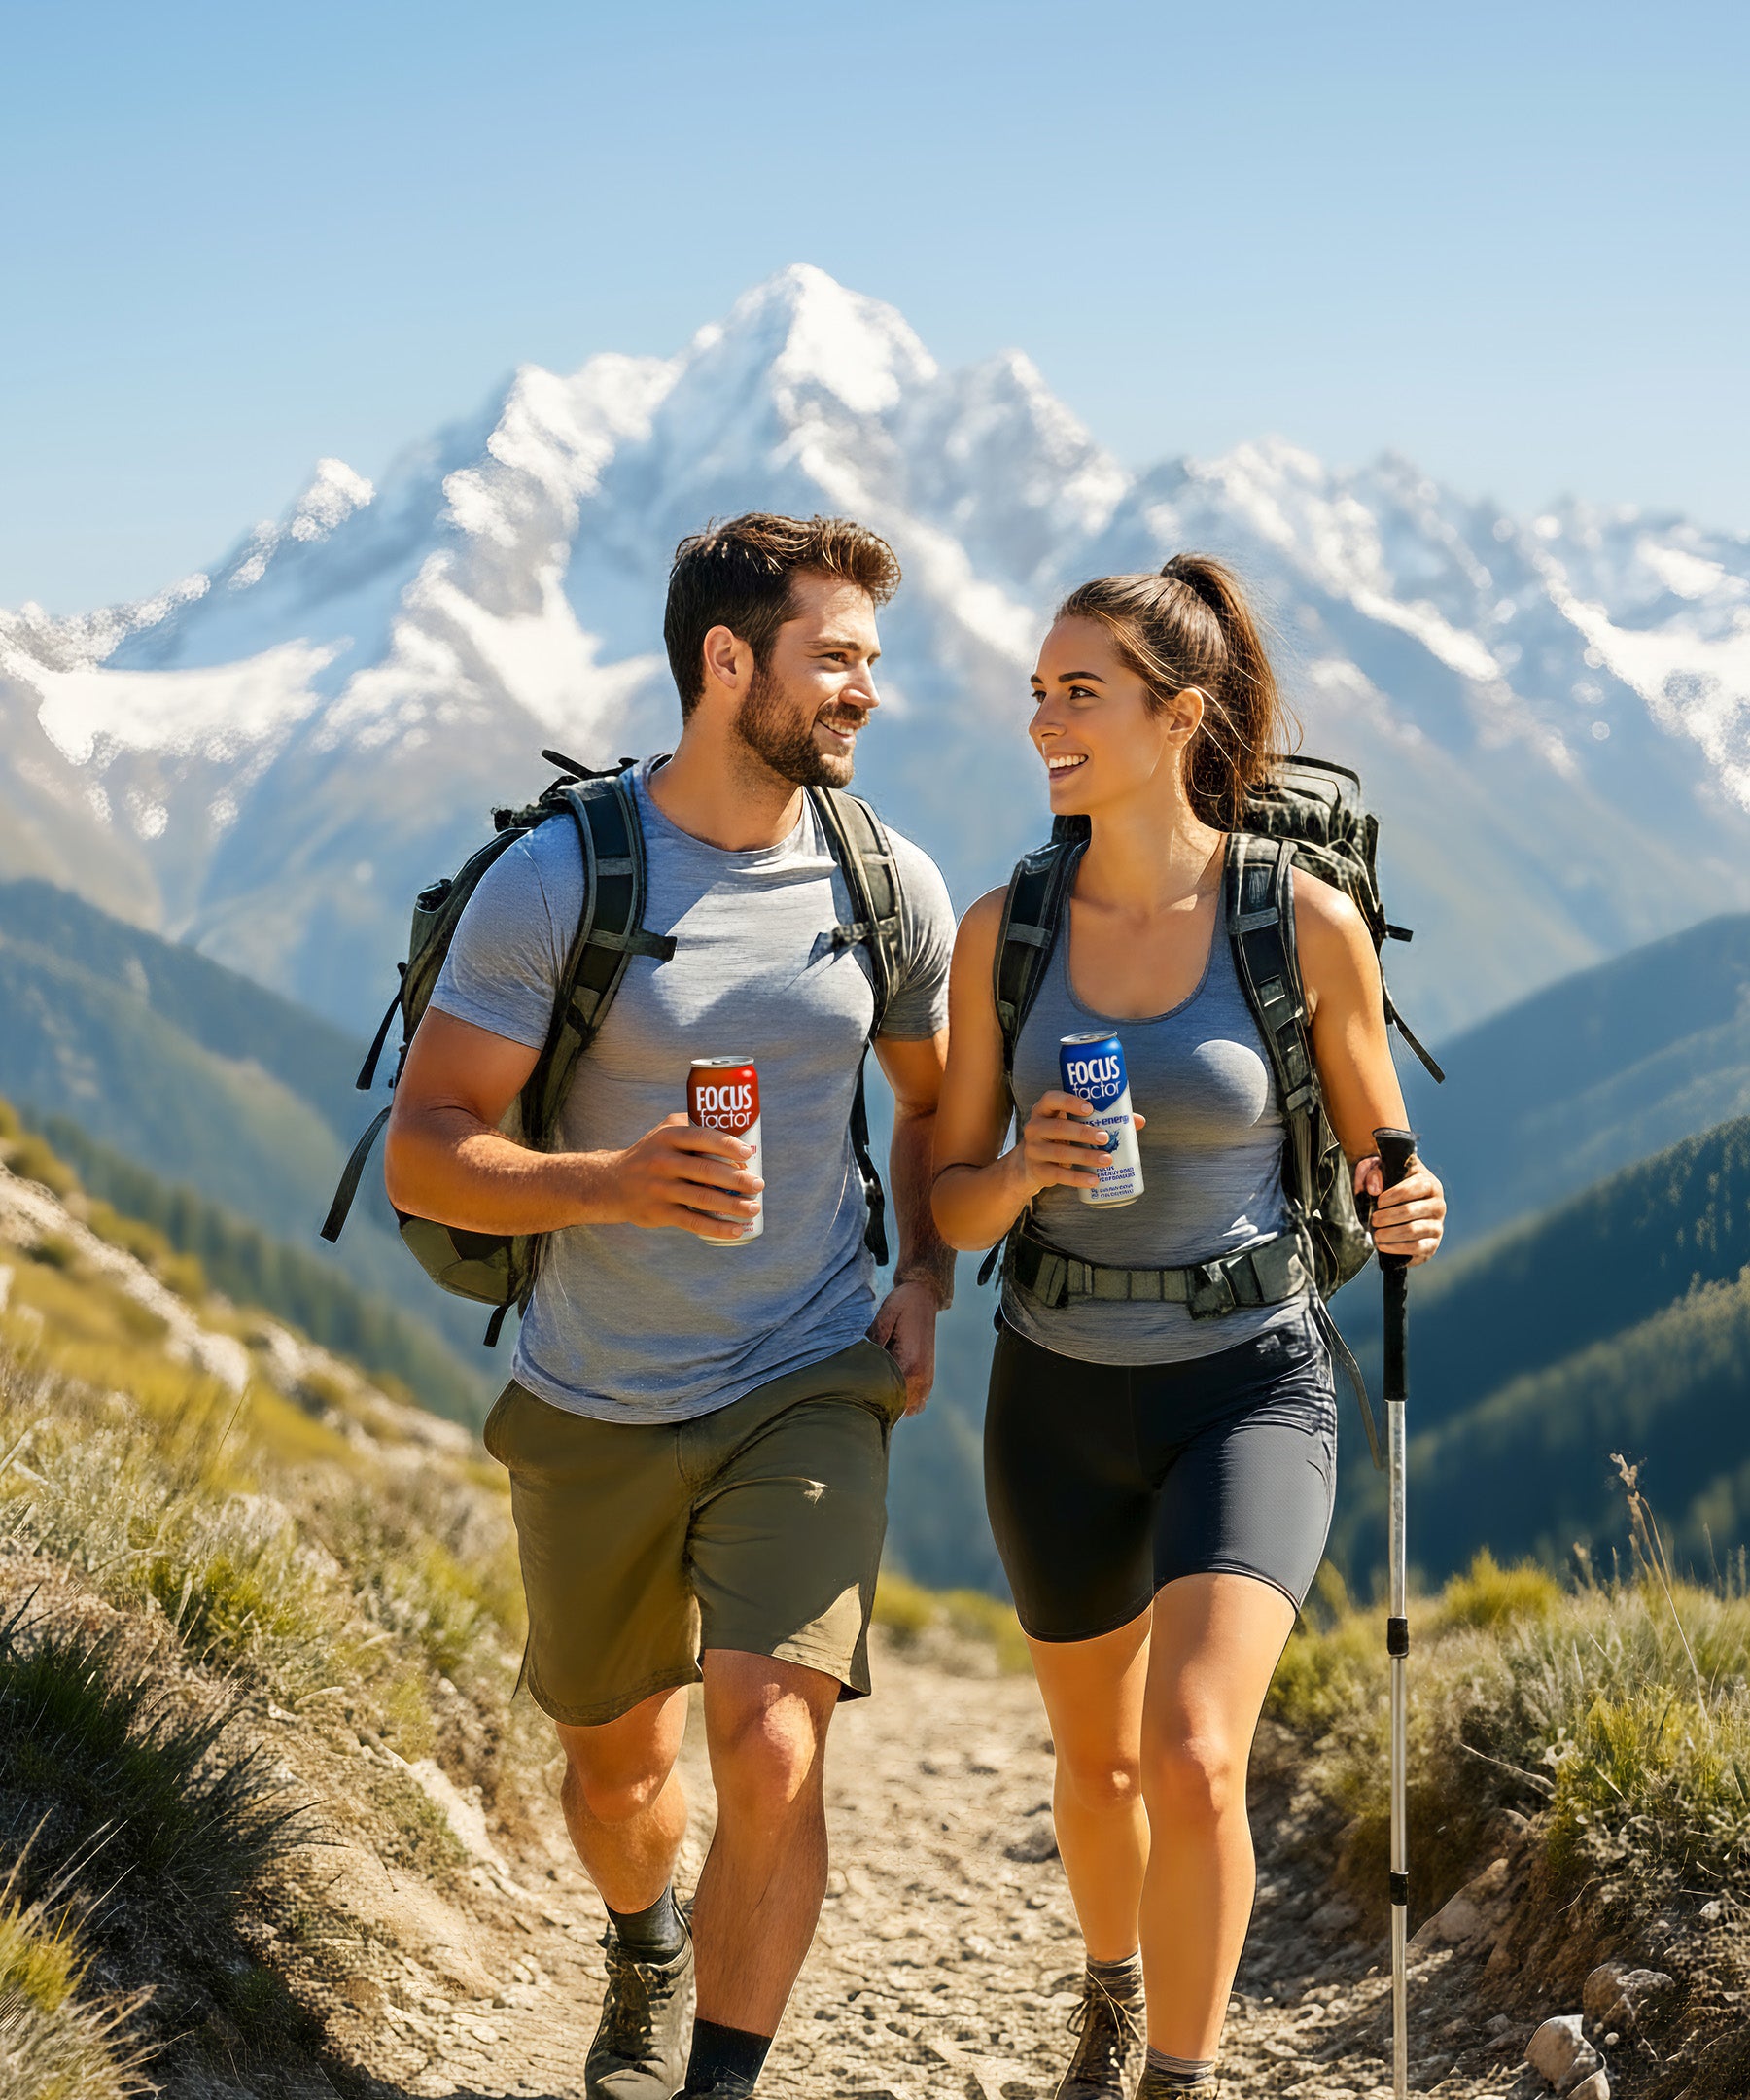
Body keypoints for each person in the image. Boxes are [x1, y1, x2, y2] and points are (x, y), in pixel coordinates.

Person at [383, 513, 957, 2100]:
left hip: (808, 1369)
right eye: (836, 658)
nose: (865, 693)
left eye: (872, 661)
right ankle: (644, 1943)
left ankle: (720, 2081)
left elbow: (926, 1107)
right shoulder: (560, 881)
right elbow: (424, 1155)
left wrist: (921, 1275)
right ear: (728, 663)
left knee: (773, 1740)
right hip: (597, 1388)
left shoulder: (885, 877)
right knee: (617, 1775)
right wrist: (611, 1185)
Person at [930, 555, 1447, 2099]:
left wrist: (1410, 1203)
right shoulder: (999, 935)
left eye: (1077, 692)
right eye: (1036, 692)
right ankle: (1108, 1988)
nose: (1042, 722)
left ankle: (1180, 2075)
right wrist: (1023, 1166)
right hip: (1057, 1391)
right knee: (1094, 1770)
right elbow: (950, 1210)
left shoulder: (1303, 924)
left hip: (1255, 1385)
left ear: (1179, 717)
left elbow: (1386, 1157)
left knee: (1194, 1754)